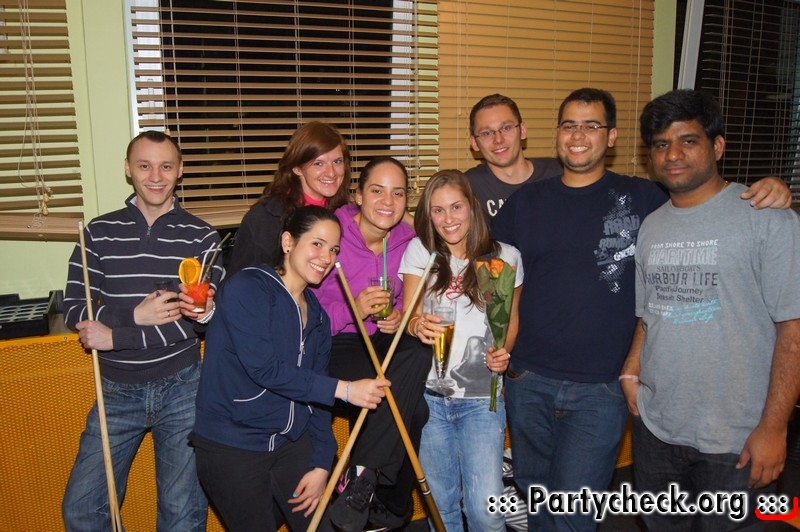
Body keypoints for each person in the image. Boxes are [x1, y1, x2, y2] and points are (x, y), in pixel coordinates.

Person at [492, 88, 794, 532]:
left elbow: (711, 202)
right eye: (569, 125)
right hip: (536, 382)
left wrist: (774, 187)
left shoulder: (646, 199)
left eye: (591, 125)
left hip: (605, 391)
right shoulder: (530, 203)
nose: (578, 135)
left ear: (612, 137)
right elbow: (484, 268)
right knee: (538, 497)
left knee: (574, 511)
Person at [620, 89, 800, 531]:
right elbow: (650, 313)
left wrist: (774, 428)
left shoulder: (767, 217)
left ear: (717, 146)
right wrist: (630, 370)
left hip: (737, 438)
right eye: (661, 144)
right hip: (658, 428)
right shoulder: (652, 226)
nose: (673, 154)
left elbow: (793, 330)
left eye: (688, 141)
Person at [191, 205, 390, 532]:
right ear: (288, 242)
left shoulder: (318, 315)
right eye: (317, 244)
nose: (326, 257)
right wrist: (346, 390)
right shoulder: (248, 287)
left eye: (334, 249)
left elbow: (318, 397)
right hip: (232, 446)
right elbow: (265, 369)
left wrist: (322, 462)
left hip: (290, 444)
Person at [61, 131, 223, 531]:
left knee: (181, 514)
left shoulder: (203, 237)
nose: (155, 176)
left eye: (166, 166)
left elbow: (195, 321)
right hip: (115, 390)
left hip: (184, 387)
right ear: (128, 169)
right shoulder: (97, 233)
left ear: (180, 170)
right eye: (145, 165)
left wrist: (117, 335)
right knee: (81, 508)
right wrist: (134, 315)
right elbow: (75, 307)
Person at [311, 156, 430, 532]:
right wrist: (353, 309)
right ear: (359, 195)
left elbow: (410, 298)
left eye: (398, 193)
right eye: (377, 191)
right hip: (337, 340)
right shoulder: (333, 234)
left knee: (419, 351)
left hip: (383, 337)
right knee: (410, 409)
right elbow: (305, 311)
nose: (387, 202)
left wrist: (398, 315)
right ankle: (390, 504)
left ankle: (360, 479)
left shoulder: (409, 241)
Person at [400, 169, 521, 531]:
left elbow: (510, 322)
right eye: (437, 210)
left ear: (472, 206)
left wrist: (503, 352)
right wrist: (417, 324)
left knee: (485, 510)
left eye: (456, 207)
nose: (448, 219)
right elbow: (410, 316)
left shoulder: (505, 256)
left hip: (482, 399)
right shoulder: (421, 251)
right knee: (442, 508)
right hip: (429, 397)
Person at [466, 93, 792, 221]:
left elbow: (694, 194)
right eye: (486, 133)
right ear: (474, 143)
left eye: (506, 128)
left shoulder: (638, 195)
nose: (498, 139)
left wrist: (768, 187)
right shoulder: (476, 190)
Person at [226, 121, 352, 277]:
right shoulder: (266, 219)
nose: (331, 173)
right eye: (319, 164)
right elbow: (242, 283)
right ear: (297, 168)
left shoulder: (345, 215)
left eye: (337, 162)